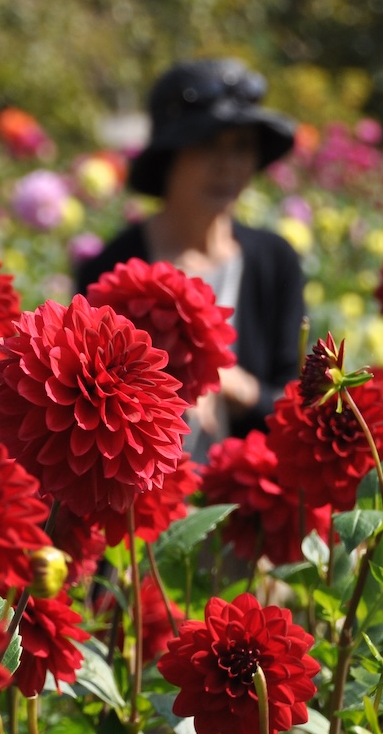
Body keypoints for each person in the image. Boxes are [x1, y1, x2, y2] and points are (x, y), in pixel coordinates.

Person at [75, 58, 306, 461]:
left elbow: (298, 405)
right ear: (170, 156)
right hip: (139, 495)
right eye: (207, 145)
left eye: (241, 146)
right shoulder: (110, 270)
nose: (228, 165)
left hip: (247, 500)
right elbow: (82, 404)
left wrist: (238, 387)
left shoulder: (276, 261)